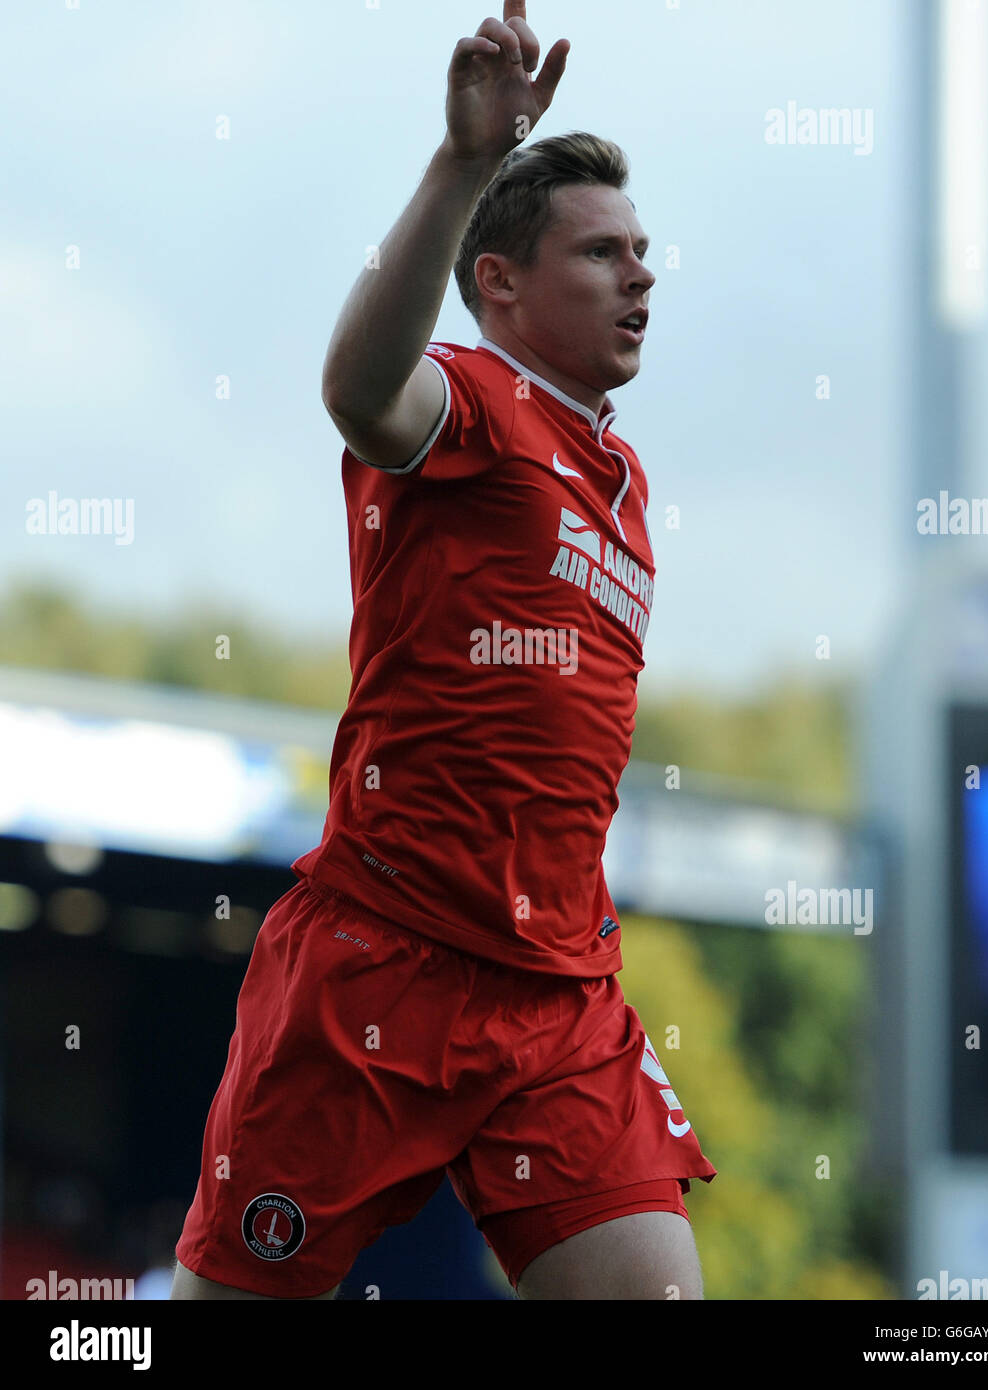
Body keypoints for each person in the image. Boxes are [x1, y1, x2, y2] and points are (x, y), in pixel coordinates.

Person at [171, 0, 716, 1302]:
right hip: (386, 966)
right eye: (601, 254)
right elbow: (360, 388)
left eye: (645, 252)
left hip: (562, 995)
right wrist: (465, 163)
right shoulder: (470, 398)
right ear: (501, 286)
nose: (642, 273)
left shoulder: (624, 478)